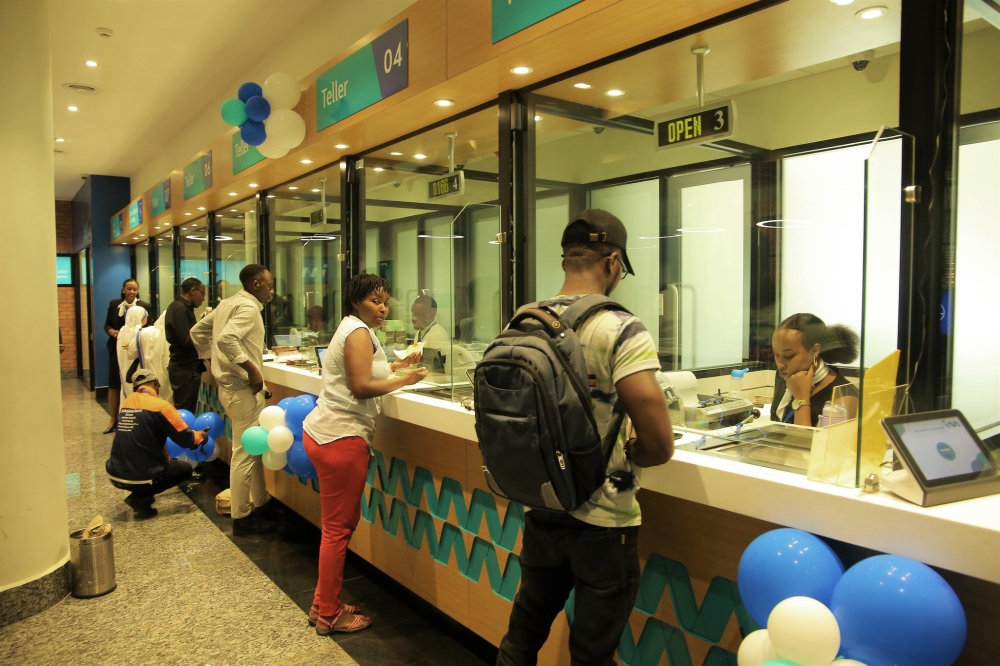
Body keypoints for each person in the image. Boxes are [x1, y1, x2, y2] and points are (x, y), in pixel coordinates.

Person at [495, 209, 675, 666]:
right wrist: (633, 450)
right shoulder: (621, 328)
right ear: (613, 262)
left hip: (543, 503)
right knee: (592, 654)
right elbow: (658, 443)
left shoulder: (523, 321)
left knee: (522, 636)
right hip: (603, 519)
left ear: (565, 260)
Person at [302, 273, 426, 635]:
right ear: (356, 302)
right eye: (375, 301)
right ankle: (329, 615)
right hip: (341, 438)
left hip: (327, 433)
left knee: (337, 527)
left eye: (385, 301)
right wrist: (405, 380)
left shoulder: (353, 328)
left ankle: (322, 603)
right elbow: (359, 387)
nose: (383, 308)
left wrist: (397, 367)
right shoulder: (357, 332)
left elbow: (364, 371)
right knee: (337, 531)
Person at [191, 264, 283, 535]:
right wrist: (251, 368)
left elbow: (198, 333)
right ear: (256, 284)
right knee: (244, 452)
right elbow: (227, 339)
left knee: (252, 448)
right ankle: (241, 516)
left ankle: (262, 502)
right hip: (242, 389)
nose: (272, 290)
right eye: (269, 284)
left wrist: (214, 362)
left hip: (232, 388)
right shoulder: (248, 307)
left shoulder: (227, 304)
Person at [105, 369, 208, 519]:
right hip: (139, 475)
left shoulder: (127, 402)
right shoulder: (161, 406)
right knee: (184, 469)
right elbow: (186, 439)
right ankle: (141, 498)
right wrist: (201, 436)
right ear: (156, 383)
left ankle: (140, 491)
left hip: (114, 472)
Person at [771, 313, 860, 426]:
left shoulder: (843, 396)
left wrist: (801, 399)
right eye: (775, 354)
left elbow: (802, 441)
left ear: (814, 351)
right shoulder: (785, 375)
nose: (780, 364)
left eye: (788, 356)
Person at [103, 278, 150, 433]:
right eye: (129, 289)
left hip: (136, 352)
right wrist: (112, 332)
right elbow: (107, 324)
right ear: (123, 289)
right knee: (114, 383)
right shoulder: (114, 305)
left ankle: (133, 419)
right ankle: (113, 419)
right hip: (116, 349)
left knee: (133, 382)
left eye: (134, 289)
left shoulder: (144, 306)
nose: (131, 292)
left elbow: (151, 326)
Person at [165, 277, 207, 413]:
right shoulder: (180, 309)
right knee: (184, 413)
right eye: (203, 293)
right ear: (193, 291)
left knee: (186, 411)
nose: (203, 298)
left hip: (186, 368)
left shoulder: (183, 308)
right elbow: (187, 342)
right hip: (185, 368)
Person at [116, 305, 148, 402]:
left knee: (126, 388)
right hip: (135, 366)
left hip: (124, 365)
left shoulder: (122, 330)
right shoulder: (139, 331)